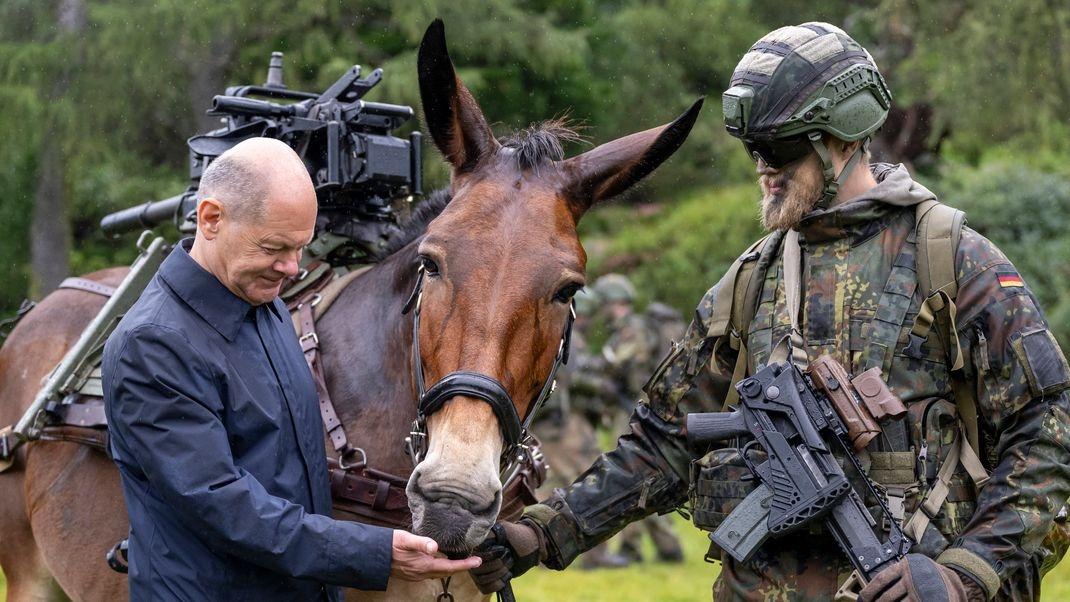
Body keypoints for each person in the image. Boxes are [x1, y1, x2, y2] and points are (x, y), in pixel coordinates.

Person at [469, 22, 1070, 601]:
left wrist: (968, 571)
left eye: (779, 146)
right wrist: (542, 530)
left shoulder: (955, 261)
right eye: (753, 147)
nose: (763, 165)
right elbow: (665, 441)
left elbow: (1047, 435)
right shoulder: (750, 282)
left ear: (842, 135)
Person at [102, 137, 479, 600]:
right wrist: (375, 552)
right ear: (211, 219)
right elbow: (223, 506)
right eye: (275, 247)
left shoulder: (265, 303)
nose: (292, 267)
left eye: (300, 247)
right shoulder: (153, 346)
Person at [533, 287, 630, 569]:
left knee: (552, 482)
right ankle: (592, 554)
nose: (587, 320)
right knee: (590, 477)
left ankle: (542, 549)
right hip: (560, 424)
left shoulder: (557, 335)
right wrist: (603, 386)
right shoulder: (568, 338)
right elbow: (573, 378)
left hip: (555, 421)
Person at [593, 275, 684, 564]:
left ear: (613, 302)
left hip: (634, 408)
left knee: (633, 472)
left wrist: (596, 366)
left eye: (604, 304)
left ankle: (661, 547)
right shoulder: (629, 329)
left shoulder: (632, 329)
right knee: (635, 473)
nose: (602, 311)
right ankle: (643, 547)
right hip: (632, 407)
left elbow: (619, 363)